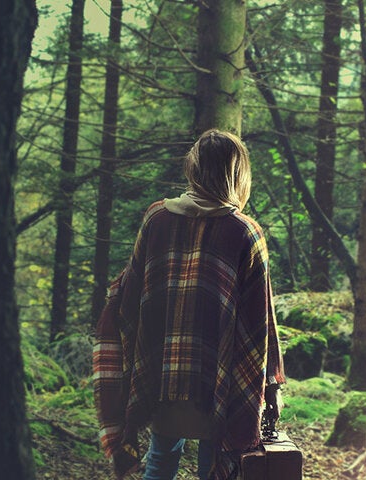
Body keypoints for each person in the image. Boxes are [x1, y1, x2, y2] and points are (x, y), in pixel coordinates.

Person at [93, 129, 285, 480]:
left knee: (161, 457)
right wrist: (270, 384)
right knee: (213, 466)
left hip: (163, 376)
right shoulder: (246, 232)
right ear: (238, 174)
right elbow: (260, 326)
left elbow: (128, 297)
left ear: (193, 169)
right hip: (220, 386)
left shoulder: (157, 219)